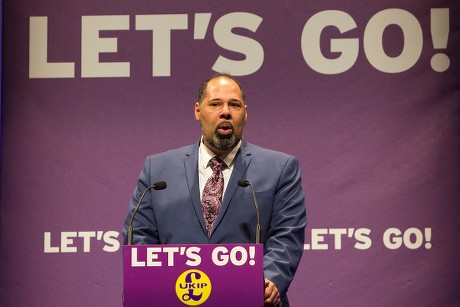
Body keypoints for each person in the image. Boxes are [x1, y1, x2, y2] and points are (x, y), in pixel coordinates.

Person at [123, 74, 307, 306]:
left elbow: (287, 235)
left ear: (245, 113)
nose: (226, 112)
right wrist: (148, 281)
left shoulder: (280, 168)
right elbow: (139, 235)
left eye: (234, 105)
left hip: (250, 299)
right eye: (216, 104)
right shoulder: (158, 170)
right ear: (198, 111)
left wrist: (270, 279)